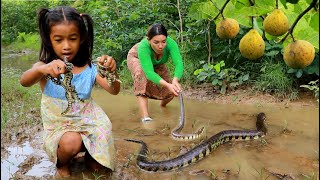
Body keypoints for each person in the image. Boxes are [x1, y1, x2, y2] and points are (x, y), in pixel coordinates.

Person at [19, 6, 120, 177]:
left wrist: (112, 72)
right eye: (58, 40)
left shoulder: (90, 68)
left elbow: (114, 90)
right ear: (49, 40)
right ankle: (62, 162)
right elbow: (24, 81)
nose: (66, 46)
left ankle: (90, 157)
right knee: (71, 141)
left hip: (89, 124)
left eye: (72, 38)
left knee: (98, 168)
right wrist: (43, 70)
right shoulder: (44, 67)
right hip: (61, 127)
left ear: (81, 38)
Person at [127, 23, 184, 122]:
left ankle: (162, 106)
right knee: (141, 75)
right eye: (156, 42)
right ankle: (145, 117)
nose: (160, 46)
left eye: (163, 41)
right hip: (137, 58)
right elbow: (149, 73)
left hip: (157, 62)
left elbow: (179, 63)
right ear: (148, 40)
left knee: (172, 90)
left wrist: (175, 80)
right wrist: (167, 85)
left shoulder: (171, 43)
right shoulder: (143, 47)